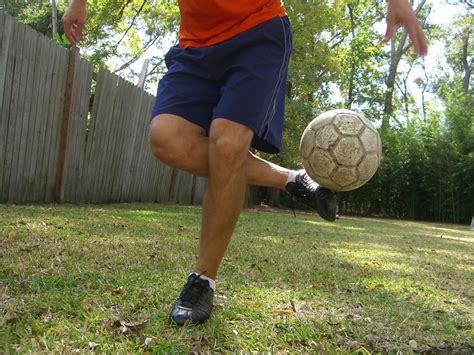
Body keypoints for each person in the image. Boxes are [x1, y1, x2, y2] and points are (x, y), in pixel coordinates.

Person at [62, 0, 427, 326]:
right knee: (166, 140)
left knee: (227, 143)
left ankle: (203, 279)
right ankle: (292, 180)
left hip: (258, 31)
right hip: (195, 45)